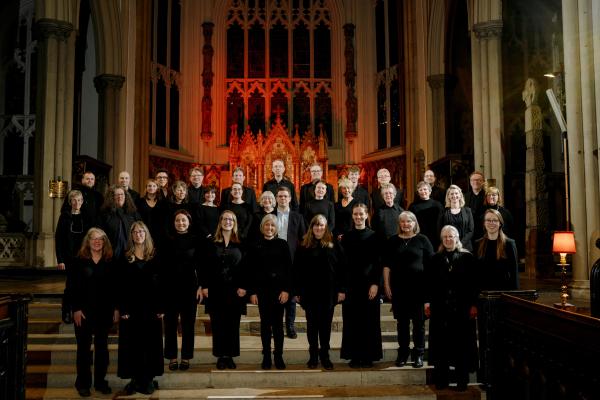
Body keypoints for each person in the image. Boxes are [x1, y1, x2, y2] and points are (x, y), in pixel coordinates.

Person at [425, 225, 478, 391]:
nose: (448, 239)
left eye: (451, 236)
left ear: (457, 238)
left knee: (462, 345)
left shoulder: (467, 257)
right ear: (442, 239)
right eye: (445, 237)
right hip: (440, 308)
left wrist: (474, 304)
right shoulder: (435, 258)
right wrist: (427, 302)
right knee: (441, 346)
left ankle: (462, 381)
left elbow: (474, 284)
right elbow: (429, 283)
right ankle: (442, 380)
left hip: (462, 308)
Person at [294, 214, 346, 370]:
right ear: (312, 227)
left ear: (326, 227)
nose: (319, 228)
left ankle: (325, 355)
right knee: (312, 325)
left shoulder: (334, 243)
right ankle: (313, 355)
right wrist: (296, 291)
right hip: (309, 292)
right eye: (316, 225)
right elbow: (297, 270)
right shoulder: (303, 245)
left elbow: (342, 268)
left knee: (325, 326)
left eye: (322, 225)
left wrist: (342, 289)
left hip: (328, 292)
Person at [117, 222, 164, 395]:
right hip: (131, 308)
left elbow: (162, 284)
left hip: (152, 308)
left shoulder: (155, 255)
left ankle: (149, 379)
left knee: (150, 344)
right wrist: (122, 309)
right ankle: (135, 379)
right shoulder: (125, 256)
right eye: (135, 232)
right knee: (132, 344)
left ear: (146, 234)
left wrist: (161, 306)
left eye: (141, 231)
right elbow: (120, 285)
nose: (138, 235)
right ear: (131, 235)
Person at [71, 228, 118, 397]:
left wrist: (116, 308)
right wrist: (75, 308)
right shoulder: (79, 261)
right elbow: (71, 288)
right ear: (88, 241)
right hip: (83, 311)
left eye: (100, 239)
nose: (97, 242)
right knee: (83, 349)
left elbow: (115, 288)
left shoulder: (111, 261)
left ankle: (100, 382)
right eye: (93, 239)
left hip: (104, 311)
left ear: (105, 242)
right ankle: (83, 383)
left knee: (102, 349)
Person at [383, 211, 433, 369]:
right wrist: (386, 285)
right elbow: (386, 266)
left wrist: (429, 292)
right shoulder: (392, 241)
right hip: (399, 288)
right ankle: (403, 353)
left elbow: (432, 266)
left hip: (419, 288)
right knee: (402, 323)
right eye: (403, 222)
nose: (406, 224)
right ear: (399, 224)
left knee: (419, 324)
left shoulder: (422, 240)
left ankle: (418, 354)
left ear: (414, 223)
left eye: (409, 221)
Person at [201, 211, 247, 370]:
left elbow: (247, 267)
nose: (228, 221)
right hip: (216, 289)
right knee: (218, 323)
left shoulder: (241, 242)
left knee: (233, 324)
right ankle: (221, 356)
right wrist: (204, 285)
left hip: (236, 290)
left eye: (231, 219)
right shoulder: (211, 242)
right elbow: (204, 266)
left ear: (234, 223)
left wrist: (244, 286)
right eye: (225, 219)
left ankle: (231, 356)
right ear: (220, 222)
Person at [246, 214, 292, 370]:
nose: (269, 228)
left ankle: (278, 355)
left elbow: (288, 269)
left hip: (279, 291)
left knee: (278, 325)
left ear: (276, 228)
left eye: (272, 225)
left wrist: (286, 290)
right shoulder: (255, 245)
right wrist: (252, 292)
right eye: (267, 225)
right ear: (262, 227)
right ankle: (266, 355)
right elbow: (250, 271)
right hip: (262, 291)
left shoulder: (283, 244)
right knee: (265, 325)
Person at [340, 203, 382, 368]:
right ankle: (355, 356)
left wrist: (375, 284)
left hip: (369, 285)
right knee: (352, 321)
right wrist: (343, 287)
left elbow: (378, 262)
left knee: (369, 321)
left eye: (361, 214)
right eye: (355, 214)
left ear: (366, 215)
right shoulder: (347, 237)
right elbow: (342, 264)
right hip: (351, 285)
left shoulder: (375, 236)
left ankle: (369, 356)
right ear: (352, 216)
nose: (358, 217)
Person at [162, 210, 203, 372]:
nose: (181, 223)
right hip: (170, 288)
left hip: (190, 287)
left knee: (188, 324)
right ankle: (172, 357)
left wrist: (201, 286)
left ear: (189, 222)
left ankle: (186, 357)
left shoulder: (195, 240)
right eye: (178, 220)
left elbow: (200, 265)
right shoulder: (166, 241)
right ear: (173, 223)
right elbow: (162, 268)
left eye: (184, 220)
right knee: (170, 324)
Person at [56, 190, 92, 324]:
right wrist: (60, 260)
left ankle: (81, 309)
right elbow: (58, 239)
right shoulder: (64, 217)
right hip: (69, 257)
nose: (77, 203)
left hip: (84, 256)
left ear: (82, 201)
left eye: (79, 200)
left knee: (82, 284)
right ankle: (66, 311)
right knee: (70, 285)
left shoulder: (86, 217)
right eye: (74, 200)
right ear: (70, 202)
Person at [275, 186, 306, 339]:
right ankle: (276, 326)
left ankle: (290, 326)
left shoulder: (297, 217)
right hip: (274, 260)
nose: (283, 199)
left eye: (285, 196)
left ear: (290, 198)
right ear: (276, 198)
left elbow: (304, 239)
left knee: (291, 296)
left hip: (292, 260)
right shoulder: (270, 216)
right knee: (275, 294)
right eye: (280, 196)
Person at [476, 209, 519, 290]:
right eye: (488, 220)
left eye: (495, 220)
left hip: (503, 292)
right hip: (484, 293)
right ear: (484, 223)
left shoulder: (509, 244)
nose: (491, 223)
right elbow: (475, 273)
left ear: (500, 223)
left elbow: (514, 273)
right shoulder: (477, 244)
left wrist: (514, 296)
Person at [99, 185, 140, 259]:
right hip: (110, 252)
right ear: (112, 197)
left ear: (125, 196)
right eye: (117, 195)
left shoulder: (132, 212)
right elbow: (100, 233)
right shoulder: (104, 213)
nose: (120, 197)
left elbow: (140, 229)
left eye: (122, 194)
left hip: (130, 251)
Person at [437, 184, 474, 251]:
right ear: (448, 196)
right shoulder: (443, 212)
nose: (454, 196)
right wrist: (450, 243)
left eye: (456, 193)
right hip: (448, 246)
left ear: (460, 195)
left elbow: (470, 230)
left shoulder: (467, 211)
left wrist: (460, 243)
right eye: (451, 194)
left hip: (465, 247)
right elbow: (440, 230)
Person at [408, 181, 443, 249]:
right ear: (418, 192)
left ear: (430, 191)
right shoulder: (413, 206)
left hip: (435, 238)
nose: (423, 191)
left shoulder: (438, 205)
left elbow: (442, 222)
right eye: (420, 190)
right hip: (419, 237)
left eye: (425, 189)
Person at [135, 179, 167, 246]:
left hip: (159, 233)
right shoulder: (139, 201)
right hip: (144, 232)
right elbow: (136, 217)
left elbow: (165, 218)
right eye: (149, 186)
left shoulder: (162, 202)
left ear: (157, 188)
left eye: (154, 186)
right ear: (146, 188)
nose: (151, 188)